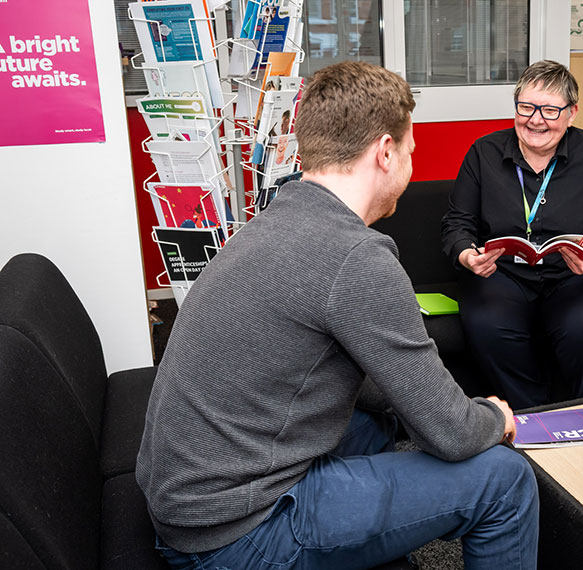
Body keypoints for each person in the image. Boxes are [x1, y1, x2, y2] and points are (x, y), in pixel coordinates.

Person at [137, 61, 539, 570]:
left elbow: (377, 386)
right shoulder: (357, 257)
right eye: (411, 152)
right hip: (235, 536)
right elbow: (454, 434)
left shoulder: (276, 220)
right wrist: (491, 417)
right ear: (386, 152)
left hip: (187, 500)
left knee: (378, 416)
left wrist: (437, 410)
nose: (411, 167)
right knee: (504, 479)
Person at [442, 60, 583, 410]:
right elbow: (457, 223)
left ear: (572, 112)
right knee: (487, 324)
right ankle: (532, 415)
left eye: (549, 110)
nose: (536, 120)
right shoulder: (483, 153)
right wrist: (467, 256)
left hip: (574, 275)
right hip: (504, 275)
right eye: (526, 107)